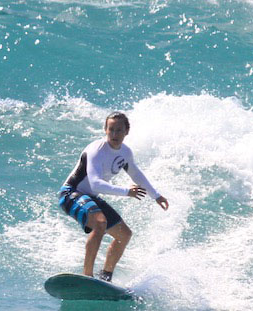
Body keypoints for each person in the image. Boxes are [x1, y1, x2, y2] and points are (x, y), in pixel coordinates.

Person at [57, 111, 169, 280]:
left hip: (90, 197)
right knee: (100, 222)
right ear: (105, 130)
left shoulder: (125, 152)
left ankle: (105, 277)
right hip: (71, 194)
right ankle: (87, 276)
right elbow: (95, 183)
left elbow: (136, 174)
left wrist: (156, 195)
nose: (115, 134)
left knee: (124, 235)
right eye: (111, 130)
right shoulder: (97, 150)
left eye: (119, 130)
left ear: (126, 131)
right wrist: (126, 192)